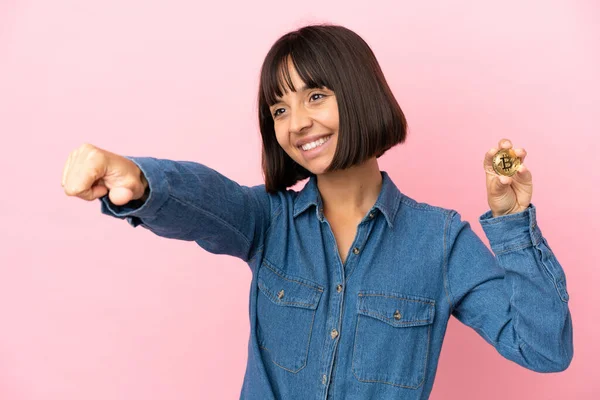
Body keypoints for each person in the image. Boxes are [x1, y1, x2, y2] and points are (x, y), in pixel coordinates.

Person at [61, 24, 573, 399]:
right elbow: (204, 198)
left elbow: (543, 350)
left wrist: (511, 224)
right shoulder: (266, 222)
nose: (297, 122)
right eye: (279, 109)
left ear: (360, 96)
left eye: (316, 96)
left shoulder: (439, 241)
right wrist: (140, 177)